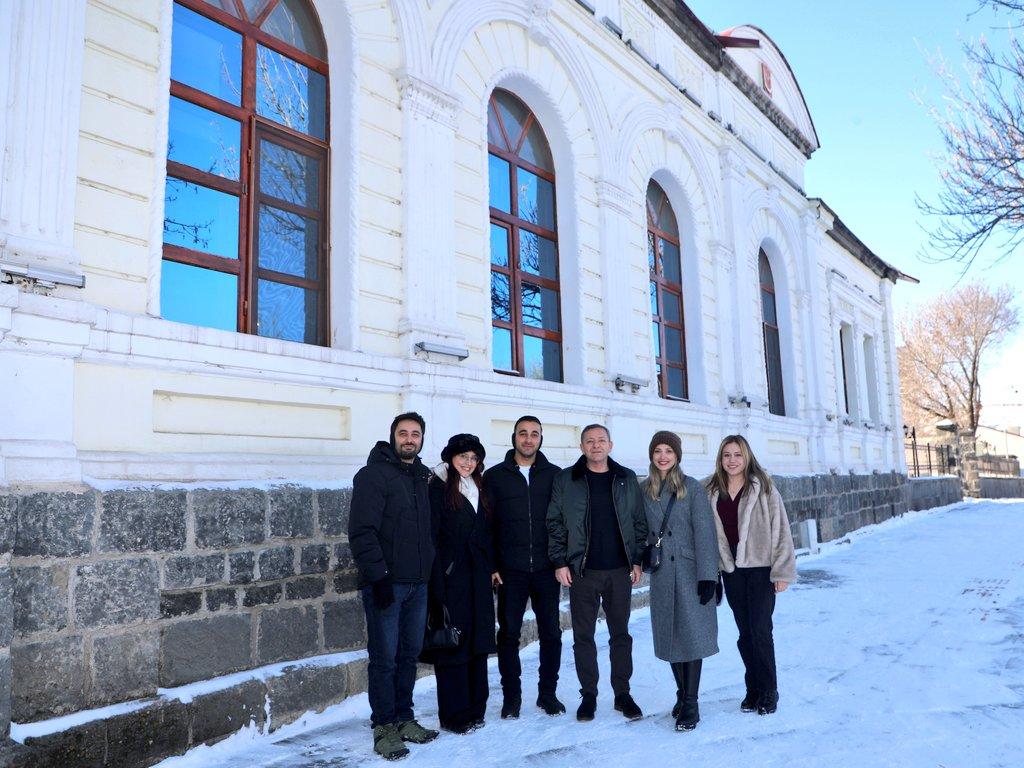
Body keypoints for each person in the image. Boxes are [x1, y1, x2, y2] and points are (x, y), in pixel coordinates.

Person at [349, 412, 438, 761]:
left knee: (408, 656)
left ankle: (404, 717)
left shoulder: (421, 477)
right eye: (403, 433)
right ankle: (383, 726)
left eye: (416, 434)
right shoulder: (373, 475)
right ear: (392, 436)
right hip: (387, 585)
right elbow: (362, 531)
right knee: (384, 659)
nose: (409, 439)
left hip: (418, 585)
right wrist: (379, 577)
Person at [547, 423, 649, 722]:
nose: (595, 446)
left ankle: (622, 694)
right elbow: (554, 522)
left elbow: (639, 521)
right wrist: (560, 562)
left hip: (619, 571)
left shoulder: (626, 478)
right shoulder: (567, 479)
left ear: (610, 445)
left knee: (621, 635)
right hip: (583, 571)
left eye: (601, 440)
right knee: (583, 637)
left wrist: (637, 559)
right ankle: (588, 695)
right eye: (589, 441)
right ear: (581, 447)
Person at [706, 434, 797, 716]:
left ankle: (769, 689)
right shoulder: (710, 489)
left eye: (737, 455)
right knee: (745, 633)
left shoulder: (764, 487)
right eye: (727, 455)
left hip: (760, 569)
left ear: (747, 457)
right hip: (731, 570)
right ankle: (753, 689)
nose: (732, 460)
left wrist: (781, 571)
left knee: (760, 630)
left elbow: (781, 530)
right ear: (720, 459)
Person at [483, 415, 565, 719]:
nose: (528, 439)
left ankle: (547, 694)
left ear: (541, 439)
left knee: (552, 634)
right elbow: (486, 525)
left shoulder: (555, 475)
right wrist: (492, 564)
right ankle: (512, 698)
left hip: (546, 569)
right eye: (523, 434)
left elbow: (562, 524)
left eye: (534, 434)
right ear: (513, 437)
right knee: (508, 634)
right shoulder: (495, 477)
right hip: (510, 571)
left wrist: (561, 561)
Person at [641, 431, 719, 731]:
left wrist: (708, 577)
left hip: (690, 571)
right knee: (671, 636)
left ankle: (691, 703)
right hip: (662, 574)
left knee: (692, 637)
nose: (663, 456)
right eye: (658, 450)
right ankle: (681, 693)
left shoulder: (692, 488)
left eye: (668, 451)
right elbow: (639, 529)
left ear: (677, 456)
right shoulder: (644, 489)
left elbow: (705, 533)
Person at [422, 433, 497, 734]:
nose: (467, 462)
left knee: (477, 642)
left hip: (478, 576)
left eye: (473, 458)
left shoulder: (479, 487)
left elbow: (487, 532)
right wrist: (438, 581)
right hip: (451, 578)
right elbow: (432, 538)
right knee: (454, 646)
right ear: (451, 459)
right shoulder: (437, 489)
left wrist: (491, 567)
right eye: (462, 457)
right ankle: (454, 716)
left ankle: (476, 709)